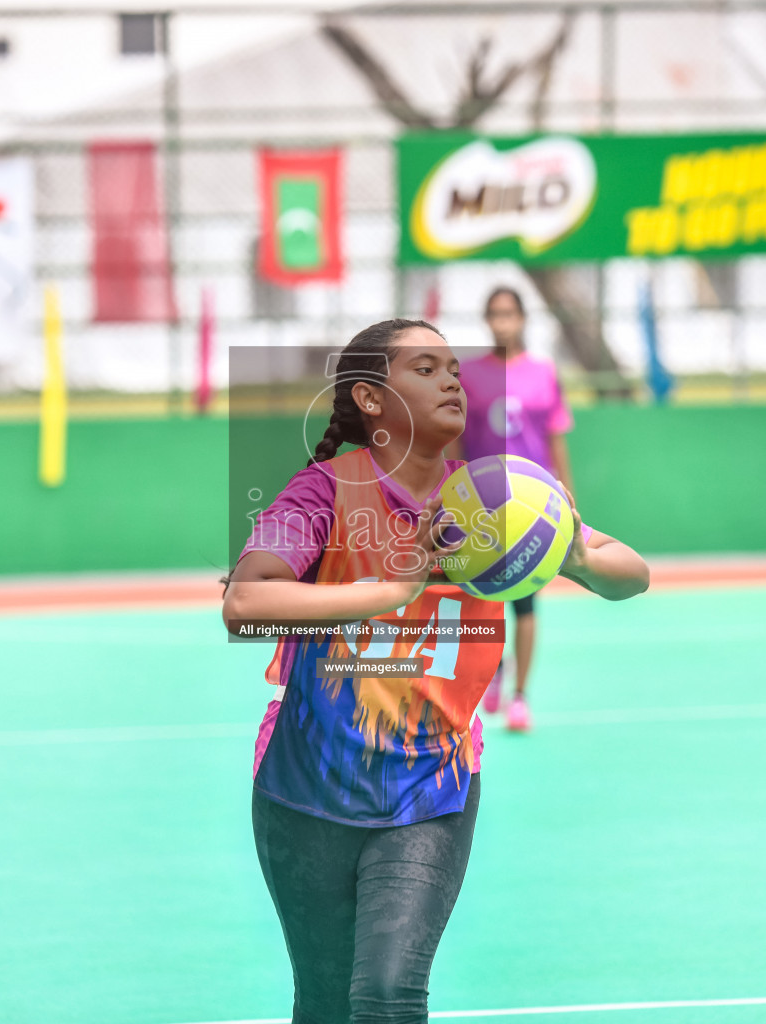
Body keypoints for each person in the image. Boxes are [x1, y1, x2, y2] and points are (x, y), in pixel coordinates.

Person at [223, 318, 648, 1023]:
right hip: (304, 787)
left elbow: (631, 575)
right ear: (370, 399)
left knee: (389, 996)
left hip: (431, 789)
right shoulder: (323, 493)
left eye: (452, 366)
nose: (452, 378)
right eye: (425, 367)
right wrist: (389, 591)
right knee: (326, 1004)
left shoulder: (498, 500)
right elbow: (246, 604)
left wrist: (572, 552)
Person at [452, 286, 576, 731]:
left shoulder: (543, 373)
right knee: (480, 599)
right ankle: (493, 669)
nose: (503, 322)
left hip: (530, 508)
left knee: (524, 602)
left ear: (522, 319)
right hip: (482, 506)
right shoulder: (467, 375)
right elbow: (456, 441)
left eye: (510, 314)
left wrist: (566, 494)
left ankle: (520, 696)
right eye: (495, 314)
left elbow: (555, 438)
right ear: (487, 320)